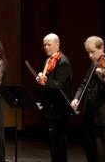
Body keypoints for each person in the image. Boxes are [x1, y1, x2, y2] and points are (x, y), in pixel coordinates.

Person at [71, 36, 105, 162]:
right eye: (88, 52)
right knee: (89, 147)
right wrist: (77, 98)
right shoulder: (94, 64)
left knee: (102, 153)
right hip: (90, 114)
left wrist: (104, 80)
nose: (90, 55)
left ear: (101, 48)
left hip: (103, 116)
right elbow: (84, 84)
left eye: (92, 52)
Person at [34, 33, 72, 162]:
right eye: (44, 44)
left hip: (61, 108)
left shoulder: (63, 62)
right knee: (53, 144)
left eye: (49, 44)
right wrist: (41, 78)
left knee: (59, 145)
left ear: (57, 44)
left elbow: (58, 85)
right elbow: (48, 81)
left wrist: (44, 81)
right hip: (51, 108)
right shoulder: (49, 60)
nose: (45, 47)